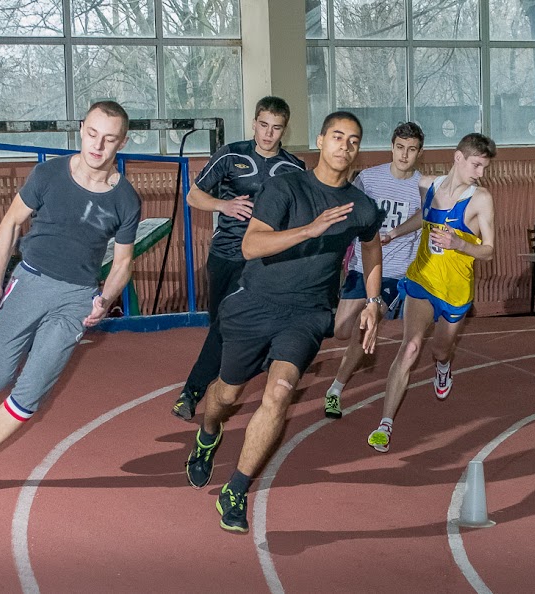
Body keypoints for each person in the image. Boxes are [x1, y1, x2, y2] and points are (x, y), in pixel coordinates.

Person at [183, 112, 384, 533]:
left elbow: (371, 249)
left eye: (353, 140)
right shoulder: (286, 186)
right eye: (337, 137)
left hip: (308, 314)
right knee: (226, 395)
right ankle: (209, 430)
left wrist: (371, 300)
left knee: (279, 392)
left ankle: (235, 490)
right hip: (256, 302)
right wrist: (309, 231)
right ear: (320, 140)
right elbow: (252, 244)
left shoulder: (362, 207)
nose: (344, 146)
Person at [0, 101, 141, 497]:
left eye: (108, 139)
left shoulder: (126, 200)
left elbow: (123, 263)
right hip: (30, 282)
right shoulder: (49, 173)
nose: (97, 146)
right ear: (82, 129)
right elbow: (11, 222)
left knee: (32, 390)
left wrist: (104, 299)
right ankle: (21, 337)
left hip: (76, 300)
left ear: (122, 142)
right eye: (91, 134)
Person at [170, 96, 305, 421]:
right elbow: (193, 195)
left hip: (263, 262)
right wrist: (223, 205)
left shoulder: (294, 168)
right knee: (221, 326)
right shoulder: (231, 154)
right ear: (254, 123)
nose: (268, 134)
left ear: (284, 129)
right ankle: (243, 365)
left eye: (276, 128)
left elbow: (301, 216)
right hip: (225, 255)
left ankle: (190, 394)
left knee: (226, 326)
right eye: (263, 126)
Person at [366, 133, 497, 453]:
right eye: (477, 165)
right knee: (409, 348)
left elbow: (490, 251)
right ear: (459, 158)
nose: (481, 173)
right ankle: (385, 424)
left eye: (484, 167)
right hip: (422, 281)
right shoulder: (428, 185)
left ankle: (443, 366)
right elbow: (424, 217)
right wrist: (394, 232)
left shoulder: (481, 199)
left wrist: (460, 244)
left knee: (440, 349)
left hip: (454, 292)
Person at [323, 122, 425, 419]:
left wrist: (393, 234)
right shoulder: (369, 178)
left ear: (419, 152)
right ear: (392, 147)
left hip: (394, 273)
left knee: (367, 324)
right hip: (361, 267)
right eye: (400, 148)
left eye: (412, 149)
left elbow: (425, 216)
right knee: (341, 330)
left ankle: (335, 390)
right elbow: (345, 208)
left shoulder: (422, 185)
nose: (405, 155)